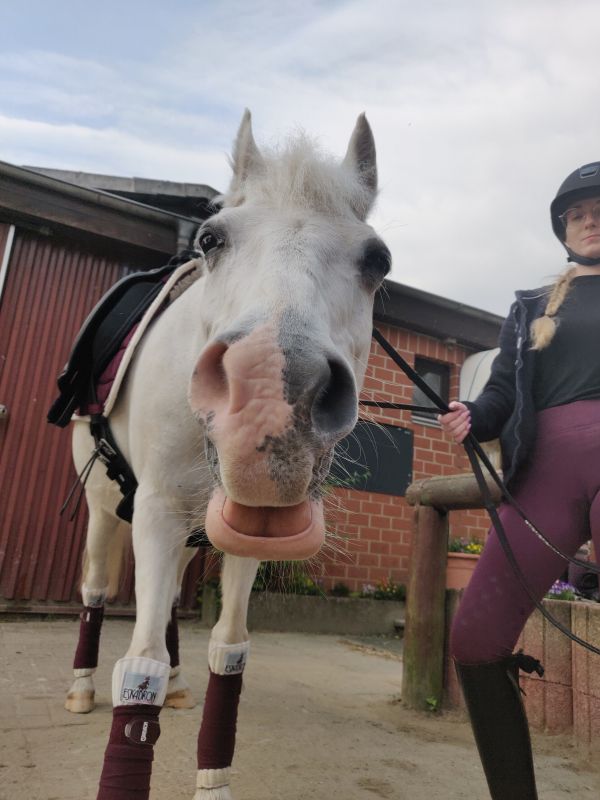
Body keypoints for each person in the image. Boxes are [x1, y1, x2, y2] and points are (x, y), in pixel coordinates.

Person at [439, 161, 600, 800]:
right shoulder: (532, 306)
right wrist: (472, 416)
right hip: (545, 475)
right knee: (474, 640)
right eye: (577, 214)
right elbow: (503, 393)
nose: (589, 221)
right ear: (563, 228)